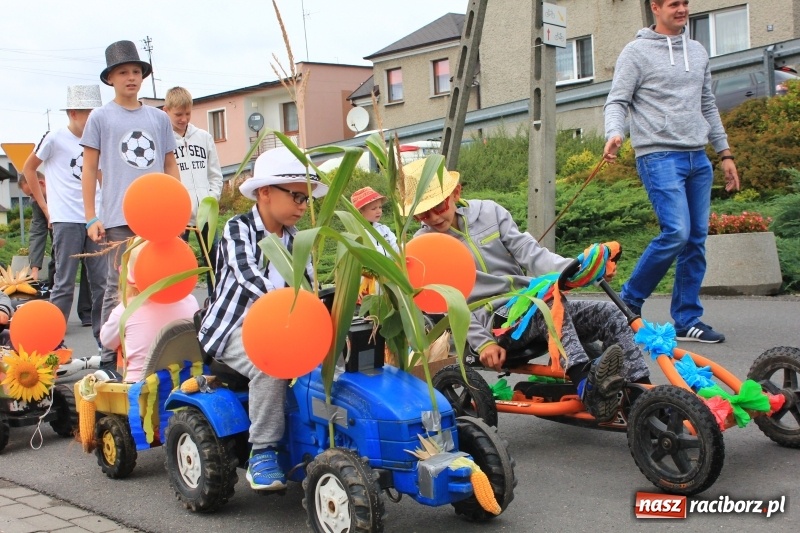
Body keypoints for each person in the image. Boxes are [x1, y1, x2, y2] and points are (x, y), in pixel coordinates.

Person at [402, 158, 651, 423]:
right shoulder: (424, 247)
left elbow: (530, 253)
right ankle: (585, 385)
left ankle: (644, 398)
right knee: (548, 305)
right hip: (495, 323)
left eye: (438, 206)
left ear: (456, 193)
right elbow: (450, 304)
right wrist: (481, 341)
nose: (433, 217)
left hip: (528, 302)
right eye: (422, 214)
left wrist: (579, 269)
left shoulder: (489, 212)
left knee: (609, 314)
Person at [603, 0, 739, 343]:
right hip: (659, 156)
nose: (682, 9)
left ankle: (687, 319)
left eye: (685, 3)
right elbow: (617, 100)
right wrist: (614, 133)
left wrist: (724, 153)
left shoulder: (697, 51)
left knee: (695, 239)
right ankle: (628, 302)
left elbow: (707, 103)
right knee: (677, 232)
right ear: (656, 7)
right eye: (674, 4)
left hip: (697, 157)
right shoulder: (635, 53)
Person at [198, 146, 328, 490]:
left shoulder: (297, 239)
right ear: (265, 192)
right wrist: (295, 310)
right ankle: (263, 451)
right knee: (272, 364)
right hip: (233, 328)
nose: (303, 206)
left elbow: (309, 283)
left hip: (282, 325)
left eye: (307, 200)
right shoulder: (237, 230)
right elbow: (250, 279)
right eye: (297, 197)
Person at [81, 40, 179, 369]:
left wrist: (177, 208)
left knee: (163, 280)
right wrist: (90, 216)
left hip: (158, 220)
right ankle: (110, 360)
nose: (131, 77)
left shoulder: (159, 118)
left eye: (136, 71)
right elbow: (90, 168)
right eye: (123, 72)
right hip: (118, 218)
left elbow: (169, 166)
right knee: (116, 288)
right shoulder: (100, 117)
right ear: (110, 78)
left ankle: (160, 350)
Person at [21, 85, 107, 344]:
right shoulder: (55, 137)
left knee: (102, 282)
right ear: (72, 113)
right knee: (65, 282)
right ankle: (52, 342)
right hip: (67, 218)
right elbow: (28, 169)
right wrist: (46, 207)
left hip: (95, 218)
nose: (92, 118)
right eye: (87, 113)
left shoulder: (99, 140)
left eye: (95, 113)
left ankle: (105, 343)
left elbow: (103, 176)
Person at [100, 241, 199, 383]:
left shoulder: (127, 309)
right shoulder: (191, 301)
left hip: (141, 387)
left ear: (130, 275)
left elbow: (107, 341)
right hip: (185, 380)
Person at [162, 86, 223, 295]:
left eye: (187, 113)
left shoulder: (204, 137)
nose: (183, 119)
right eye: (178, 114)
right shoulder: (163, 139)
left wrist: (211, 199)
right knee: (179, 264)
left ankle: (214, 300)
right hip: (178, 216)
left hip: (206, 213)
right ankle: (180, 303)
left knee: (214, 259)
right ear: (166, 111)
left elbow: (215, 174)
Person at [350, 186, 398, 298]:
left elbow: (395, 246)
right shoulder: (356, 233)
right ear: (360, 211)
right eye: (373, 208)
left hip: (390, 275)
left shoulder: (384, 229)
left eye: (380, 207)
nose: (379, 211)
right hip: (369, 280)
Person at [17, 172, 54, 286]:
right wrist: (34, 268)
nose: (32, 198)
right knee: (56, 267)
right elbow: (37, 232)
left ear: (42, 183)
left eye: (32, 194)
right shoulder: (35, 202)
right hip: (58, 243)